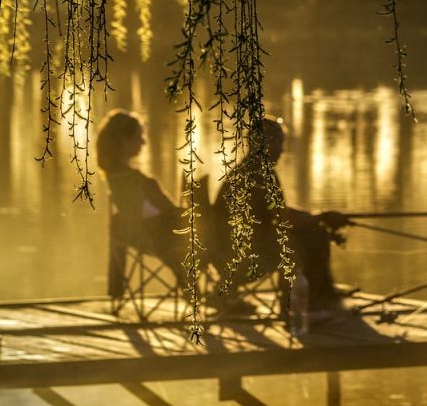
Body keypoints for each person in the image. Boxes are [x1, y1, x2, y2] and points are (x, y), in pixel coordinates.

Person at [209, 116, 349, 313]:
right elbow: (286, 218)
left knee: (310, 233)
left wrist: (317, 217)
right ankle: (299, 305)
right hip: (243, 257)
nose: (283, 150)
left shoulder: (246, 170)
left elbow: (280, 213)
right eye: (280, 144)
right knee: (305, 240)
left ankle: (319, 295)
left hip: (226, 252)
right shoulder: (262, 174)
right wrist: (322, 217)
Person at [95, 110, 187, 304]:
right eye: (139, 137)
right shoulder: (130, 180)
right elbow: (151, 214)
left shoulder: (119, 177)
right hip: (158, 235)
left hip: (153, 231)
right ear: (123, 140)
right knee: (211, 233)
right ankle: (221, 293)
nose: (143, 142)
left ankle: (213, 292)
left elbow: (147, 212)